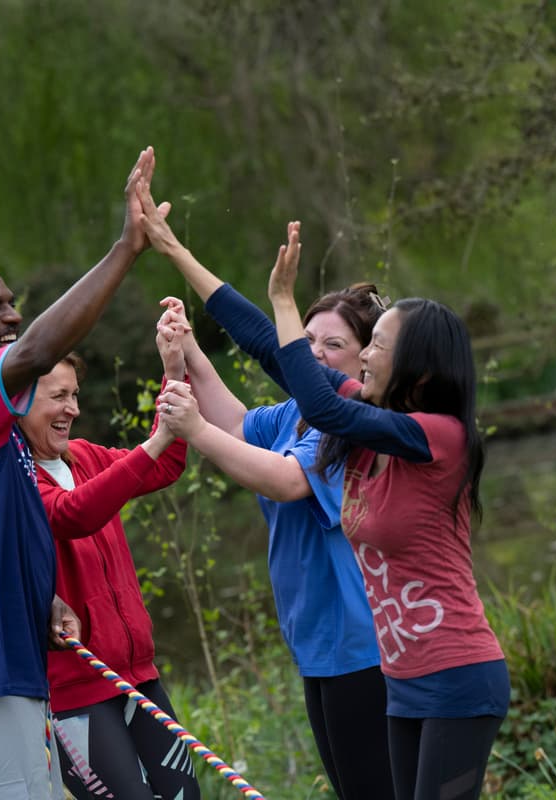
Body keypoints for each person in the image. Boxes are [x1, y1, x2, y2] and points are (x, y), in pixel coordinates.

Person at [168, 220, 508, 800]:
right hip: (403, 680)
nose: (365, 354)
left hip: (457, 673)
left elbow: (323, 410)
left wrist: (283, 303)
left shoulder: (441, 436)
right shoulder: (368, 426)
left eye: (377, 345)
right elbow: (275, 356)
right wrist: (174, 249)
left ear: (420, 368)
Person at [0, 147, 171, 800]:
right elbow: (40, 350)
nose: (13, 316)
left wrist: (38, 596)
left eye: (12, 303)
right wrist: (126, 250)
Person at [138, 207, 394, 795]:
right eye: (308, 340)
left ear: (365, 358)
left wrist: (193, 430)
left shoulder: (353, 426)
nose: (315, 353)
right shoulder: (293, 415)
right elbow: (234, 424)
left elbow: (285, 481)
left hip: (362, 646)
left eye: (334, 344)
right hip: (317, 645)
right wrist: (189, 348)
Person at [17, 341, 200, 800]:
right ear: (19, 402)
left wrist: (174, 369)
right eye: (59, 396)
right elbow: (74, 513)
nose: (73, 409)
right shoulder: (12, 479)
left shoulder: (85, 457)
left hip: (137, 675)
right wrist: (156, 440)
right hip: (73, 690)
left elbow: (165, 465)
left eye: (75, 395)